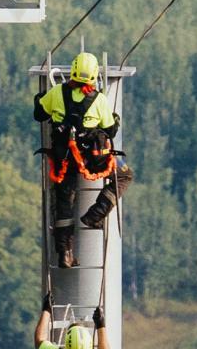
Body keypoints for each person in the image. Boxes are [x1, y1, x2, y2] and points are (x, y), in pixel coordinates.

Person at [32, 52, 130, 268]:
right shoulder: (99, 100)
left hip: (63, 159)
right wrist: (115, 119)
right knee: (124, 175)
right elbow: (111, 130)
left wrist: (39, 99)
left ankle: (65, 254)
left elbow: (39, 114)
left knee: (64, 203)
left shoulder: (57, 93)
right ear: (95, 76)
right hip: (94, 160)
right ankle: (95, 215)